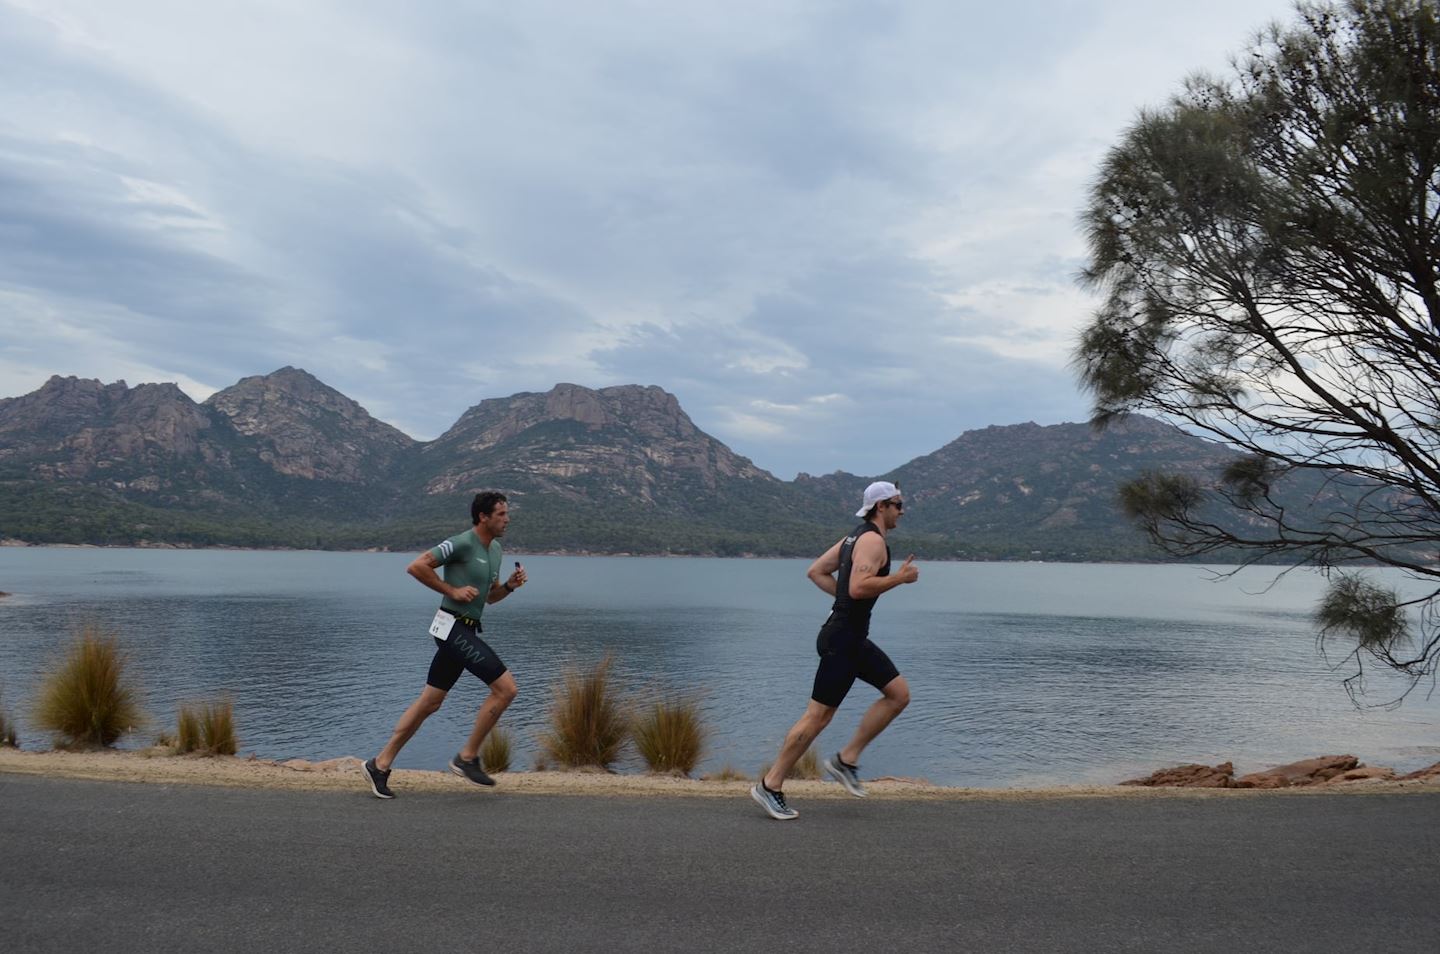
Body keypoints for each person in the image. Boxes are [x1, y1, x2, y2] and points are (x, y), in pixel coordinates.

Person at [751, 480, 918, 820]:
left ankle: (846, 759)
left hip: (849, 637)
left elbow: (816, 571)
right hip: (843, 641)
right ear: (881, 506)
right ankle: (770, 785)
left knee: (898, 694)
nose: (902, 511)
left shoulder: (853, 538)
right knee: (818, 717)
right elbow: (858, 587)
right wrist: (898, 579)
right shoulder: (872, 541)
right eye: (898, 504)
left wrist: (844, 602)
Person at [362, 491, 528, 799]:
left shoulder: (496, 550)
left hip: (467, 630)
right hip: (451, 628)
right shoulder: (462, 542)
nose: (508, 519)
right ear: (484, 517)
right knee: (506, 689)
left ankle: (379, 764)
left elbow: (488, 598)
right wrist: (449, 589)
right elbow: (417, 566)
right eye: (502, 514)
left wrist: (509, 586)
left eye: (507, 514)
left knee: (430, 702)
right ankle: (466, 758)